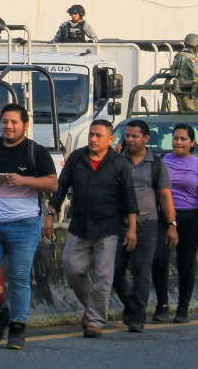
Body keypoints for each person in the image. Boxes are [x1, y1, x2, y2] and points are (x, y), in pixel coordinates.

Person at [0, 103, 58, 350]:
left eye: (13, 122)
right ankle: (0, 314)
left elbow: (52, 184)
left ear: (25, 125)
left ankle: (18, 327)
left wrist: (23, 181)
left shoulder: (36, 152)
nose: (8, 126)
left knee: (19, 277)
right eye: (4, 122)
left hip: (25, 224)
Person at [47, 119, 137, 338]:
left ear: (110, 139)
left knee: (103, 276)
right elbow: (61, 187)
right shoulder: (77, 158)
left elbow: (129, 198)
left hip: (108, 227)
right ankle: (93, 306)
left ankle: (95, 320)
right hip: (79, 225)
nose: (93, 139)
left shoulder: (120, 164)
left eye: (98, 136)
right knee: (71, 267)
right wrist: (50, 214)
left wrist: (132, 228)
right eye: (91, 135)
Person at [112, 120, 177, 332]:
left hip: (147, 223)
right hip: (119, 224)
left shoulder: (156, 164)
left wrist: (171, 224)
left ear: (145, 139)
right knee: (114, 271)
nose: (130, 140)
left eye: (135, 136)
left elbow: (165, 196)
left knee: (141, 270)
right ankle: (130, 305)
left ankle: (138, 315)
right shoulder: (117, 160)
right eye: (128, 136)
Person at [151, 123, 198, 324]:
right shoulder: (162, 161)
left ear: (192, 143)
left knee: (185, 262)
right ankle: (162, 304)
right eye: (175, 138)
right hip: (164, 217)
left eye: (183, 139)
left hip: (190, 218)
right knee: (159, 259)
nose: (178, 142)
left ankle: (183, 306)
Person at [170, 34, 198, 112]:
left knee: (183, 112)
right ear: (195, 46)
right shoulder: (190, 57)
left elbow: (173, 72)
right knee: (194, 114)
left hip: (180, 89)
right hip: (190, 91)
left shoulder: (179, 55)